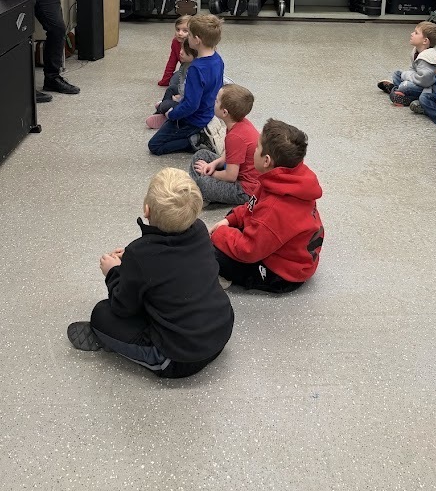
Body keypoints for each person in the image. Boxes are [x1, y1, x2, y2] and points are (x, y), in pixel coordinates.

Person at [67, 168, 234, 377]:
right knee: (157, 294)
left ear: (147, 210)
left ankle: (113, 343)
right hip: (220, 332)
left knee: (101, 314)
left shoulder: (140, 255)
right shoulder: (200, 230)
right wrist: (132, 260)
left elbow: (122, 307)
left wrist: (113, 272)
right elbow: (174, 263)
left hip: (177, 359)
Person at [210, 119, 324, 293]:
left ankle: (231, 276)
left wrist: (220, 233)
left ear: (266, 161)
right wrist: (230, 220)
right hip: (293, 253)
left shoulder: (274, 208)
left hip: (283, 274)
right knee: (233, 218)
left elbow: (248, 250)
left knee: (211, 253)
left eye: (257, 148)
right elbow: (252, 206)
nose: (254, 150)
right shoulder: (286, 178)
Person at [148, 14, 224, 155]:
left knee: (154, 145)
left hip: (193, 119)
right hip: (207, 113)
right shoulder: (217, 59)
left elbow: (191, 105)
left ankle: (194, 141)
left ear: (196, 40)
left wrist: (172, 115)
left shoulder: (196, 68)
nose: (186, 38)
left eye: (189, 35)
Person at [189, 85, 260, 206]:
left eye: (217, 101)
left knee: (204, 183)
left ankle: (203, 192)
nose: (214, 102)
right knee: (201, 155)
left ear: (224, 112)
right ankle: (204, 191)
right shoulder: (239, 123)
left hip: (245, 190)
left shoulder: (235, 137)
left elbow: (231, 176)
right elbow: (229, 155)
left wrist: (210, 173)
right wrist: (213, 164)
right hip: (237, 171)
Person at [377, 21, 436, 106]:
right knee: (397, 73)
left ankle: (399, 94)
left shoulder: (428, 57)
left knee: (405, 86)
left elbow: (424, 81)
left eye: (416, 33)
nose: (412, 34)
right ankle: (398, 91)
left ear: (425, 41)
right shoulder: (417, 50)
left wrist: (407, 76)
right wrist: (407, 75)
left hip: (427, 88)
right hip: (416, 79)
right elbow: (413, 68)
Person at [146, 38, 197, 130]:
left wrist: (180, 98)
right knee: (171, 88)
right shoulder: (186, 64)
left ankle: (165, 113)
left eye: (185, 52)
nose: (180, 52)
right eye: (181, 49)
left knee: (165, 105)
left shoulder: (195, 70)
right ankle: (160, 113)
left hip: (187, 104)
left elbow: (193, 98)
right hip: (183, 94)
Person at [157, 15, 190, 88]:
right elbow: (172, 62)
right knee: (173, 82)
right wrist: (165, 80)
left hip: (197, 71)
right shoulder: (175, 42)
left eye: (185, 31)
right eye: (178, 29)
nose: (180, 33)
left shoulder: (195, 45)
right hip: (184, 69)